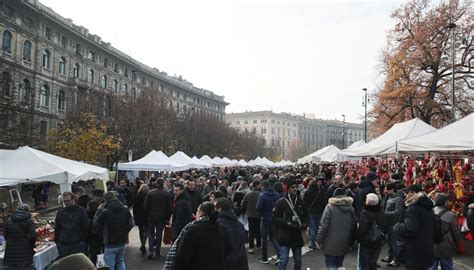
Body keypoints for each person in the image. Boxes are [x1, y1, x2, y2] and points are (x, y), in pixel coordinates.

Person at [173, 202, 231, 270]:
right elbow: (228, 251)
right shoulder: (223, 230)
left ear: (201, 213)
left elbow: (182, 257)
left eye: (197, 210)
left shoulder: (192, 231)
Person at [394, 185, 434, 270]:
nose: (406, 195)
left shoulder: (413, 209)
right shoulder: (427, 207)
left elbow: (410, 229)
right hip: (426, 248)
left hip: (414, 250)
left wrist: (398, 226)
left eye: (407, 193)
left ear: (413, 193)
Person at [316, 188, 357, 270]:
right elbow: (354, 226)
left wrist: (319, 240)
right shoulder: (351, 208)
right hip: (345, 242)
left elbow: (324, 226)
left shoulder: (330, 207)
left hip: (330, 242)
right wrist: (352, 242)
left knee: (330, 265)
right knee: (339, 265)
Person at [93, 191, 134, 270]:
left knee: (109, 265)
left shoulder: (105, 212)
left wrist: (98, 210)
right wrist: (125, 231)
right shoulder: (125, 209)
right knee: (120, 261)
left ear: (105, 200)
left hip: (110, 242)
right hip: (122, 241)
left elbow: (95, 224)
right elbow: (131, 223)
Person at [273, 180, 309, 270]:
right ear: (288, 189)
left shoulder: (301, 201)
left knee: (298, 260)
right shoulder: (281, 202)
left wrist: (305, 224)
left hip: (297, 235)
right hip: (285, 234)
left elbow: (306, 216)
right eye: (292, 187)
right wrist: (287, 223)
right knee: (284, 259)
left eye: (296, 187)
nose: (294, 189)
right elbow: (275, 217)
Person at [430, 193, 463, 270]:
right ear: (445, 202)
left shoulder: (429, 212)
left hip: (431, 245)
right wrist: (458, 247)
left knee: (431, 267)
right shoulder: (451, 215)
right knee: (447, 267)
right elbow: (456, 234)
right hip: (446, 247)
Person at [355, 193, 388, 270]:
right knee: (373, 262)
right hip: (378, 240)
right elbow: (385, 226)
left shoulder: (365, 212)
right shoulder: (381, 211)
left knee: (365, 263)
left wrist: (357, 237)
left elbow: (363, 228)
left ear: (368, 201)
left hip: (366, 241)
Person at [216, 198, 249, 270]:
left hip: (226, 264)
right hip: (241, 263)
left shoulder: (217, 225)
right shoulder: (239, 225)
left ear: (219, 209)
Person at [143, 177, 172, 259]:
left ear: (156, 183)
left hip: (151, 217)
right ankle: (157, 251)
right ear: (163, 184)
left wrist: (149, 213)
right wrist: (167, 217)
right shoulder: (166, 194)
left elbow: (145, 206)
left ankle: (151, 250)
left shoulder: (150, 193)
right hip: (162, 218)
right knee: (159, 234)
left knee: (151, 234)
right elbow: (169, 208)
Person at [55, 192, 89, 258]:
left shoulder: (81, 211)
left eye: (68, 201)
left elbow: (85, 226)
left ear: (73, 199)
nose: (66, 203)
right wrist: (58, 241)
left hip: (78, 243)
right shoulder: (61, 212)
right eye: (64, 201)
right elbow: (57, 227)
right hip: (63, 243)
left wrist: (83, 240)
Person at [3, 204, 36, 270]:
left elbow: (5, 234)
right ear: (27, 211)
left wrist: (11, 241)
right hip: (24, 250)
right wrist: (31, 245)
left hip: (10, 250)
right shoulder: (29, 220)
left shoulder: (9, 220)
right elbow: (33, 236)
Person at [256, 180, 281, 264]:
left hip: (265, 218)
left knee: (264, 239)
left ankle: (264, 258)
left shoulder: (262, 195)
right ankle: (280, 255)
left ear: (263, 186)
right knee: (273, 238)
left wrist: (262, 213)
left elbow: (258, 207)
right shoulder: (276, 195)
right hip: (274, 218)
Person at [382, 182, 405, 267]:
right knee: (389, 241)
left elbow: (398, 212)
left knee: (395, 242)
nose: (385, 191)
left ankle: (396, 259)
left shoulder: (398, 199)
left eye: (386, 189)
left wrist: (385, 214)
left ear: (392, 189)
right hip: (389, 223)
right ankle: (390, 256)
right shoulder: (389, 197)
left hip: (394, 224)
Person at [303, 178, 326, 249]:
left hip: (311, 212)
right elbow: (324, 202)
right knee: (319, 228)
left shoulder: (307, 192)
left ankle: (313, 243)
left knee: (312, 228)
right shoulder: (320, 192)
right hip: (319, 212)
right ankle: (319, 243)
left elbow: (304, 202)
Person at [241, 180, 261, 253]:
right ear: (257, 185)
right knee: (258, 229)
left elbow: (242, 204)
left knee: (251, 230)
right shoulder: (260, 194)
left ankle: (251, 247)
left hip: (249, 214)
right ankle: (258, 245)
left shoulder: (248, 194)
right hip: (258, 214)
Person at [87, 189, 104, 265]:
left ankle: (97, 266)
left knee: (95, 254)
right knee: (99, 254)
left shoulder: (92, 206)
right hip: (98, 235)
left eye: (96, 196)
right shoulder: (102, 207)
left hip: (95, 235)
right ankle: (100, 266)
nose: (94, 198)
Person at [133, 184, 149, 255]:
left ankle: (143, 245)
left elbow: (134, 207)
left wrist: (135, 216)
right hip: (147, 216)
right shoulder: (148, 196)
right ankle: (143, 245)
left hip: (139, 216)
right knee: (146, 231)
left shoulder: (137, 196)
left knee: (141, 231)